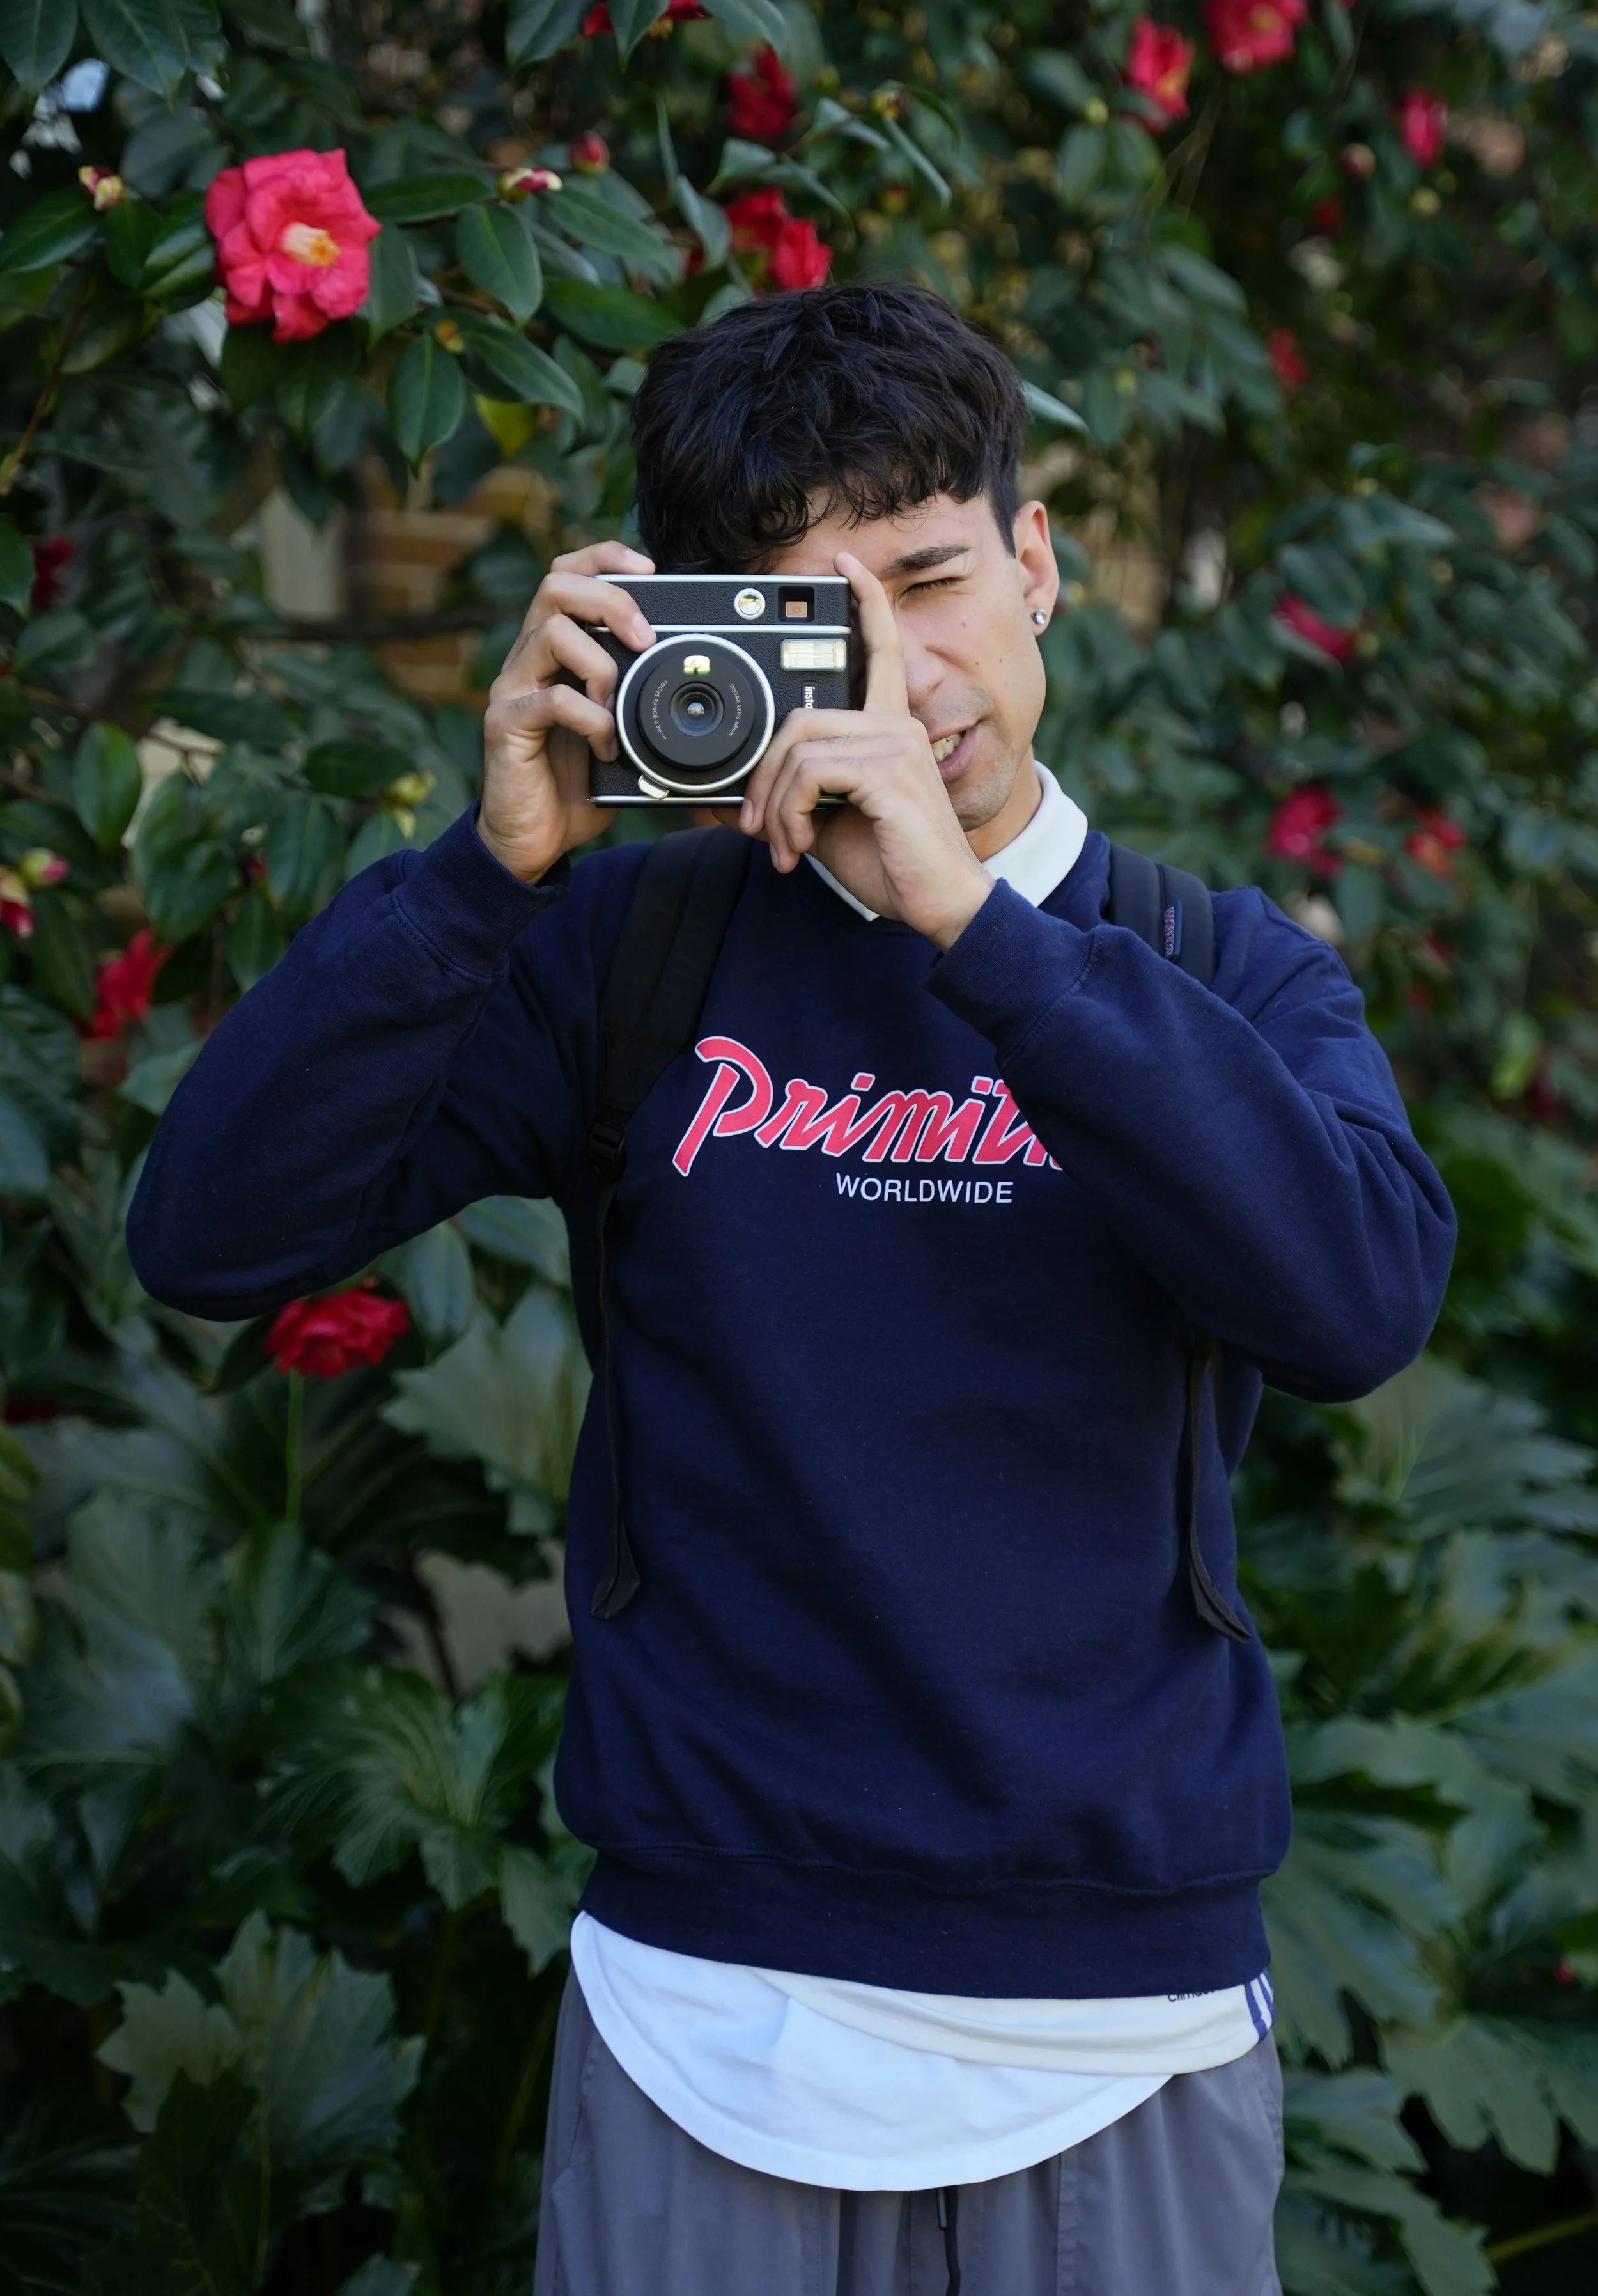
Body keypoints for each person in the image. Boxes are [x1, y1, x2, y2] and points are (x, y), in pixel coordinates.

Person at [128, 284, 1455, 2296]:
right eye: (806, 618)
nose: (889, 678)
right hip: (700, 1996)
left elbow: (1353, 1306)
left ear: (1035, 564)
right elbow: (208, 1235)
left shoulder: (1215, 968)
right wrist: (480, 881)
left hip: (1113, 2010)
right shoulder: (624, 955)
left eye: (928, 580)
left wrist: (978, 940)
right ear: (694, 634)